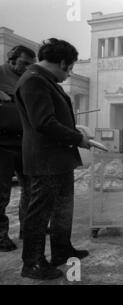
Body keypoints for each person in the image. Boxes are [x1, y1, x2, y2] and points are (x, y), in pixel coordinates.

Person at [15, 38, 91, 280]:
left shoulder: (46, 81)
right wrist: (77, 138)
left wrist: (74, 131)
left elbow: (54, 117)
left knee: (62, 207)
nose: (69, 74)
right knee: (40, 211)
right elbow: (43, 123)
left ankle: (61, 249)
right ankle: (33, 263)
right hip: (45, 159)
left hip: (59, 159)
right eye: (69, 68)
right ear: (61, 62)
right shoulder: (34, 81)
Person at [0, 45, 36, 251]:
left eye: (30, 65)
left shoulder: (28, 78)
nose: (26, 68)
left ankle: (28, 228)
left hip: (25, 142)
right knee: (1, 193)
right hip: (2, 144)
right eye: (23, 63)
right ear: (11, 59)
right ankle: (0, 235)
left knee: (31, 188)